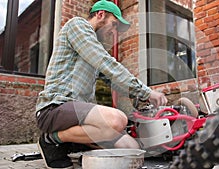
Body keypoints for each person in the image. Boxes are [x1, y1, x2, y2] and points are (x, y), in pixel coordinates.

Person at [35, 0, 168, 168]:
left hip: (76, 114)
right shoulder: (77, 26)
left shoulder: (92, 48)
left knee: (131, 148)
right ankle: (50, 140)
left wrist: (140, 100)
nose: (113, 32)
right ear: (100, 14)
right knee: (117, 120)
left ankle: (71, 143)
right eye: (113, 25)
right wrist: (146, 92)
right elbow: (106, 63)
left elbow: (114, 80)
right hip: (54, 108)